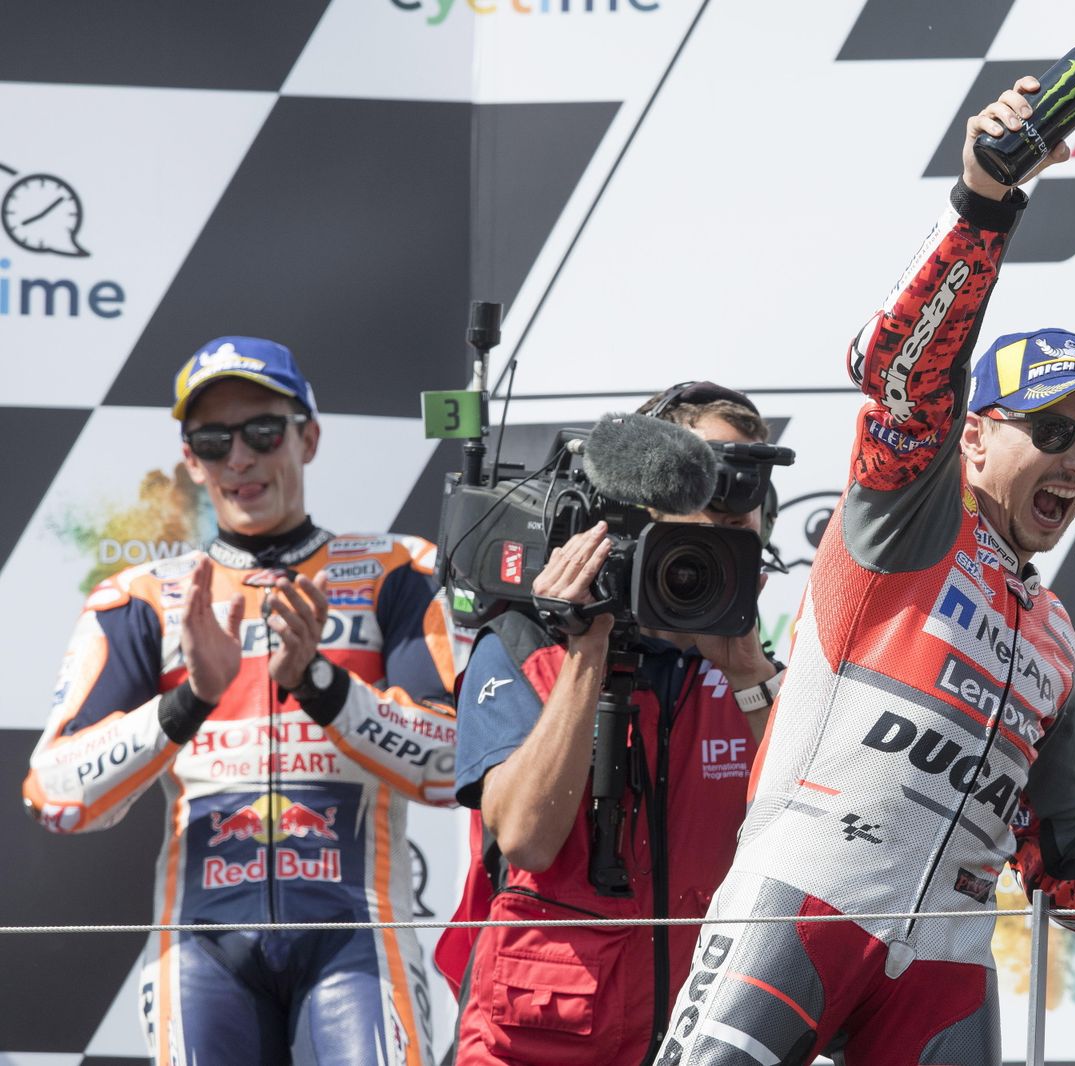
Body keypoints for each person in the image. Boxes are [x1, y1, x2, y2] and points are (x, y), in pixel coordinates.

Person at [652, 81, 1075, 1065]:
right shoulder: (909, 520)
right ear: (974, 440)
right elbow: (905, 376)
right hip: (803, 904)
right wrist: (984, 201)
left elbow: (1064, 861)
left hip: (946, 960)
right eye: (1052, 431)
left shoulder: (1057, 641)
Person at [22, 337, 460, 1066]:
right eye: (212, 440)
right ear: (190, 460)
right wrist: (189, 702)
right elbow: (55, 797)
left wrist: (321, 686)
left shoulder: (397, 571)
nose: (239, 459)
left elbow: (453, 768)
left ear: (307, 438)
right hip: (203, 950)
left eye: (262, 431)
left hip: (356, 938)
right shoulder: (142, 599)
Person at [441, 382, 785, 1066]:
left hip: (694, 1036)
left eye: (745, 507)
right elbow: (527, 840)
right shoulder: (525, 647)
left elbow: (820, 830)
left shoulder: (755, 675)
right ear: (641, 504)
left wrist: (748, 670)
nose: (726, 518)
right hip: (535, 1043)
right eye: (703, 491)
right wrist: (586, 652)